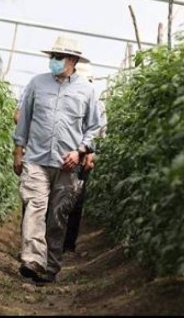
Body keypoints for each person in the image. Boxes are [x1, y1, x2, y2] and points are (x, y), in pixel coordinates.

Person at [13, 35, 100, 283]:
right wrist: (18, 150)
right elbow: (24, 119)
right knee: (35, 208)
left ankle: (50, 266)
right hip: (37, 159)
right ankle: (33, 259)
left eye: (58, 57)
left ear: (72, 60)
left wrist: (80, 151)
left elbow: (94, 126)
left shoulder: (87, 90)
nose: (53, 61)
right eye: (52, 56)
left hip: (67, 164)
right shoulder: (36, 84)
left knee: (57, 217)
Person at [63, 62, 107, 253]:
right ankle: (52, 242)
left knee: (75, 201)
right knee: (57, 199)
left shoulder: (98, 103)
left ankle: (68, 244)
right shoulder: (66, 96)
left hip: (81, 157)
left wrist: (91, 154)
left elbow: (99, 130)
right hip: (63, 154)